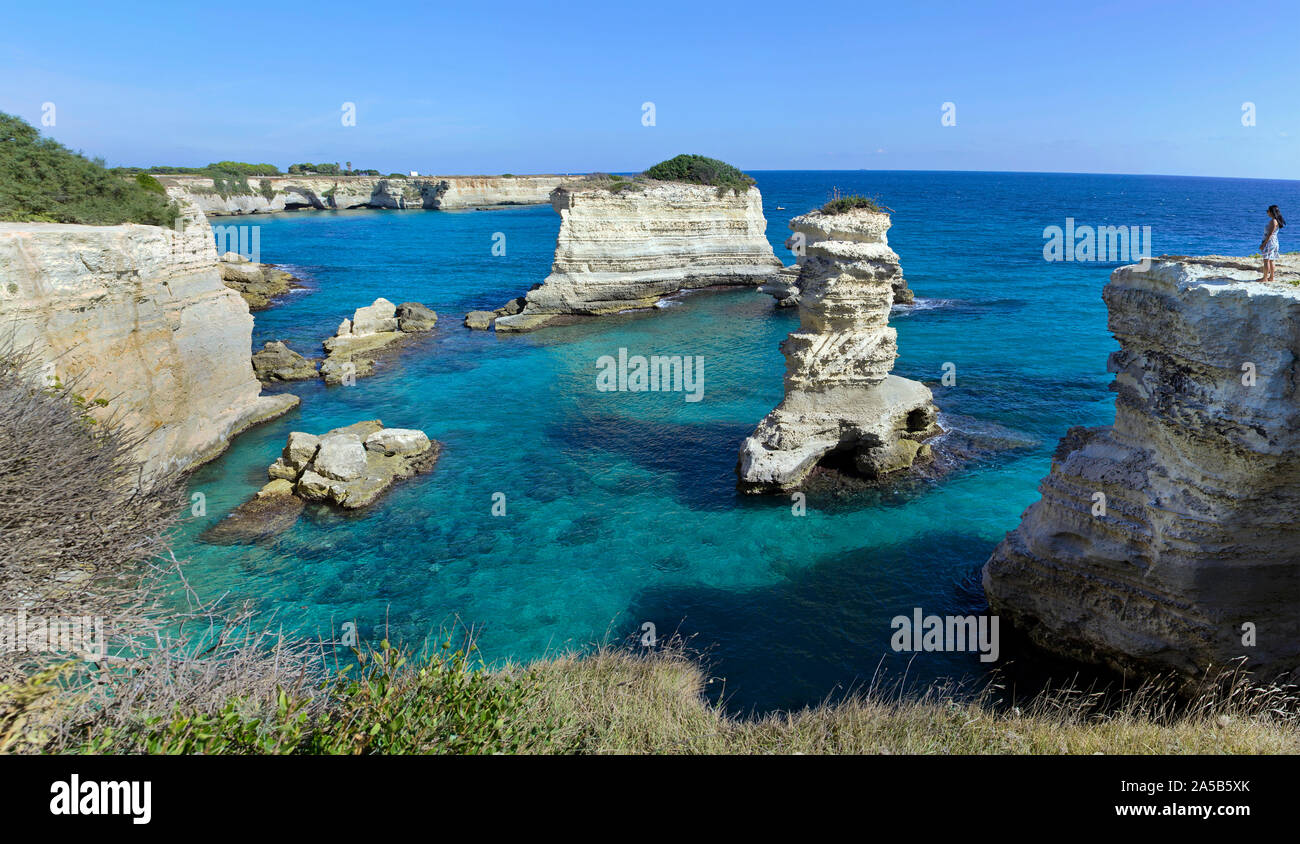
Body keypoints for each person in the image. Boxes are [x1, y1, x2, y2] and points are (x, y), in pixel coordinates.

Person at [1260, 205, 1285, 283]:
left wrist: (1264, 244)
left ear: (1271, 212)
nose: (1267, 212)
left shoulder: (1273, 221)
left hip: (1269, 242)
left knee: (1266, 260)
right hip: (1274, 242)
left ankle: (1265, 278)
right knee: (1271, 260)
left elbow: (1270, 234)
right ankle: (1271, 277)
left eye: (1268, 211)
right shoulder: (1276, 220)